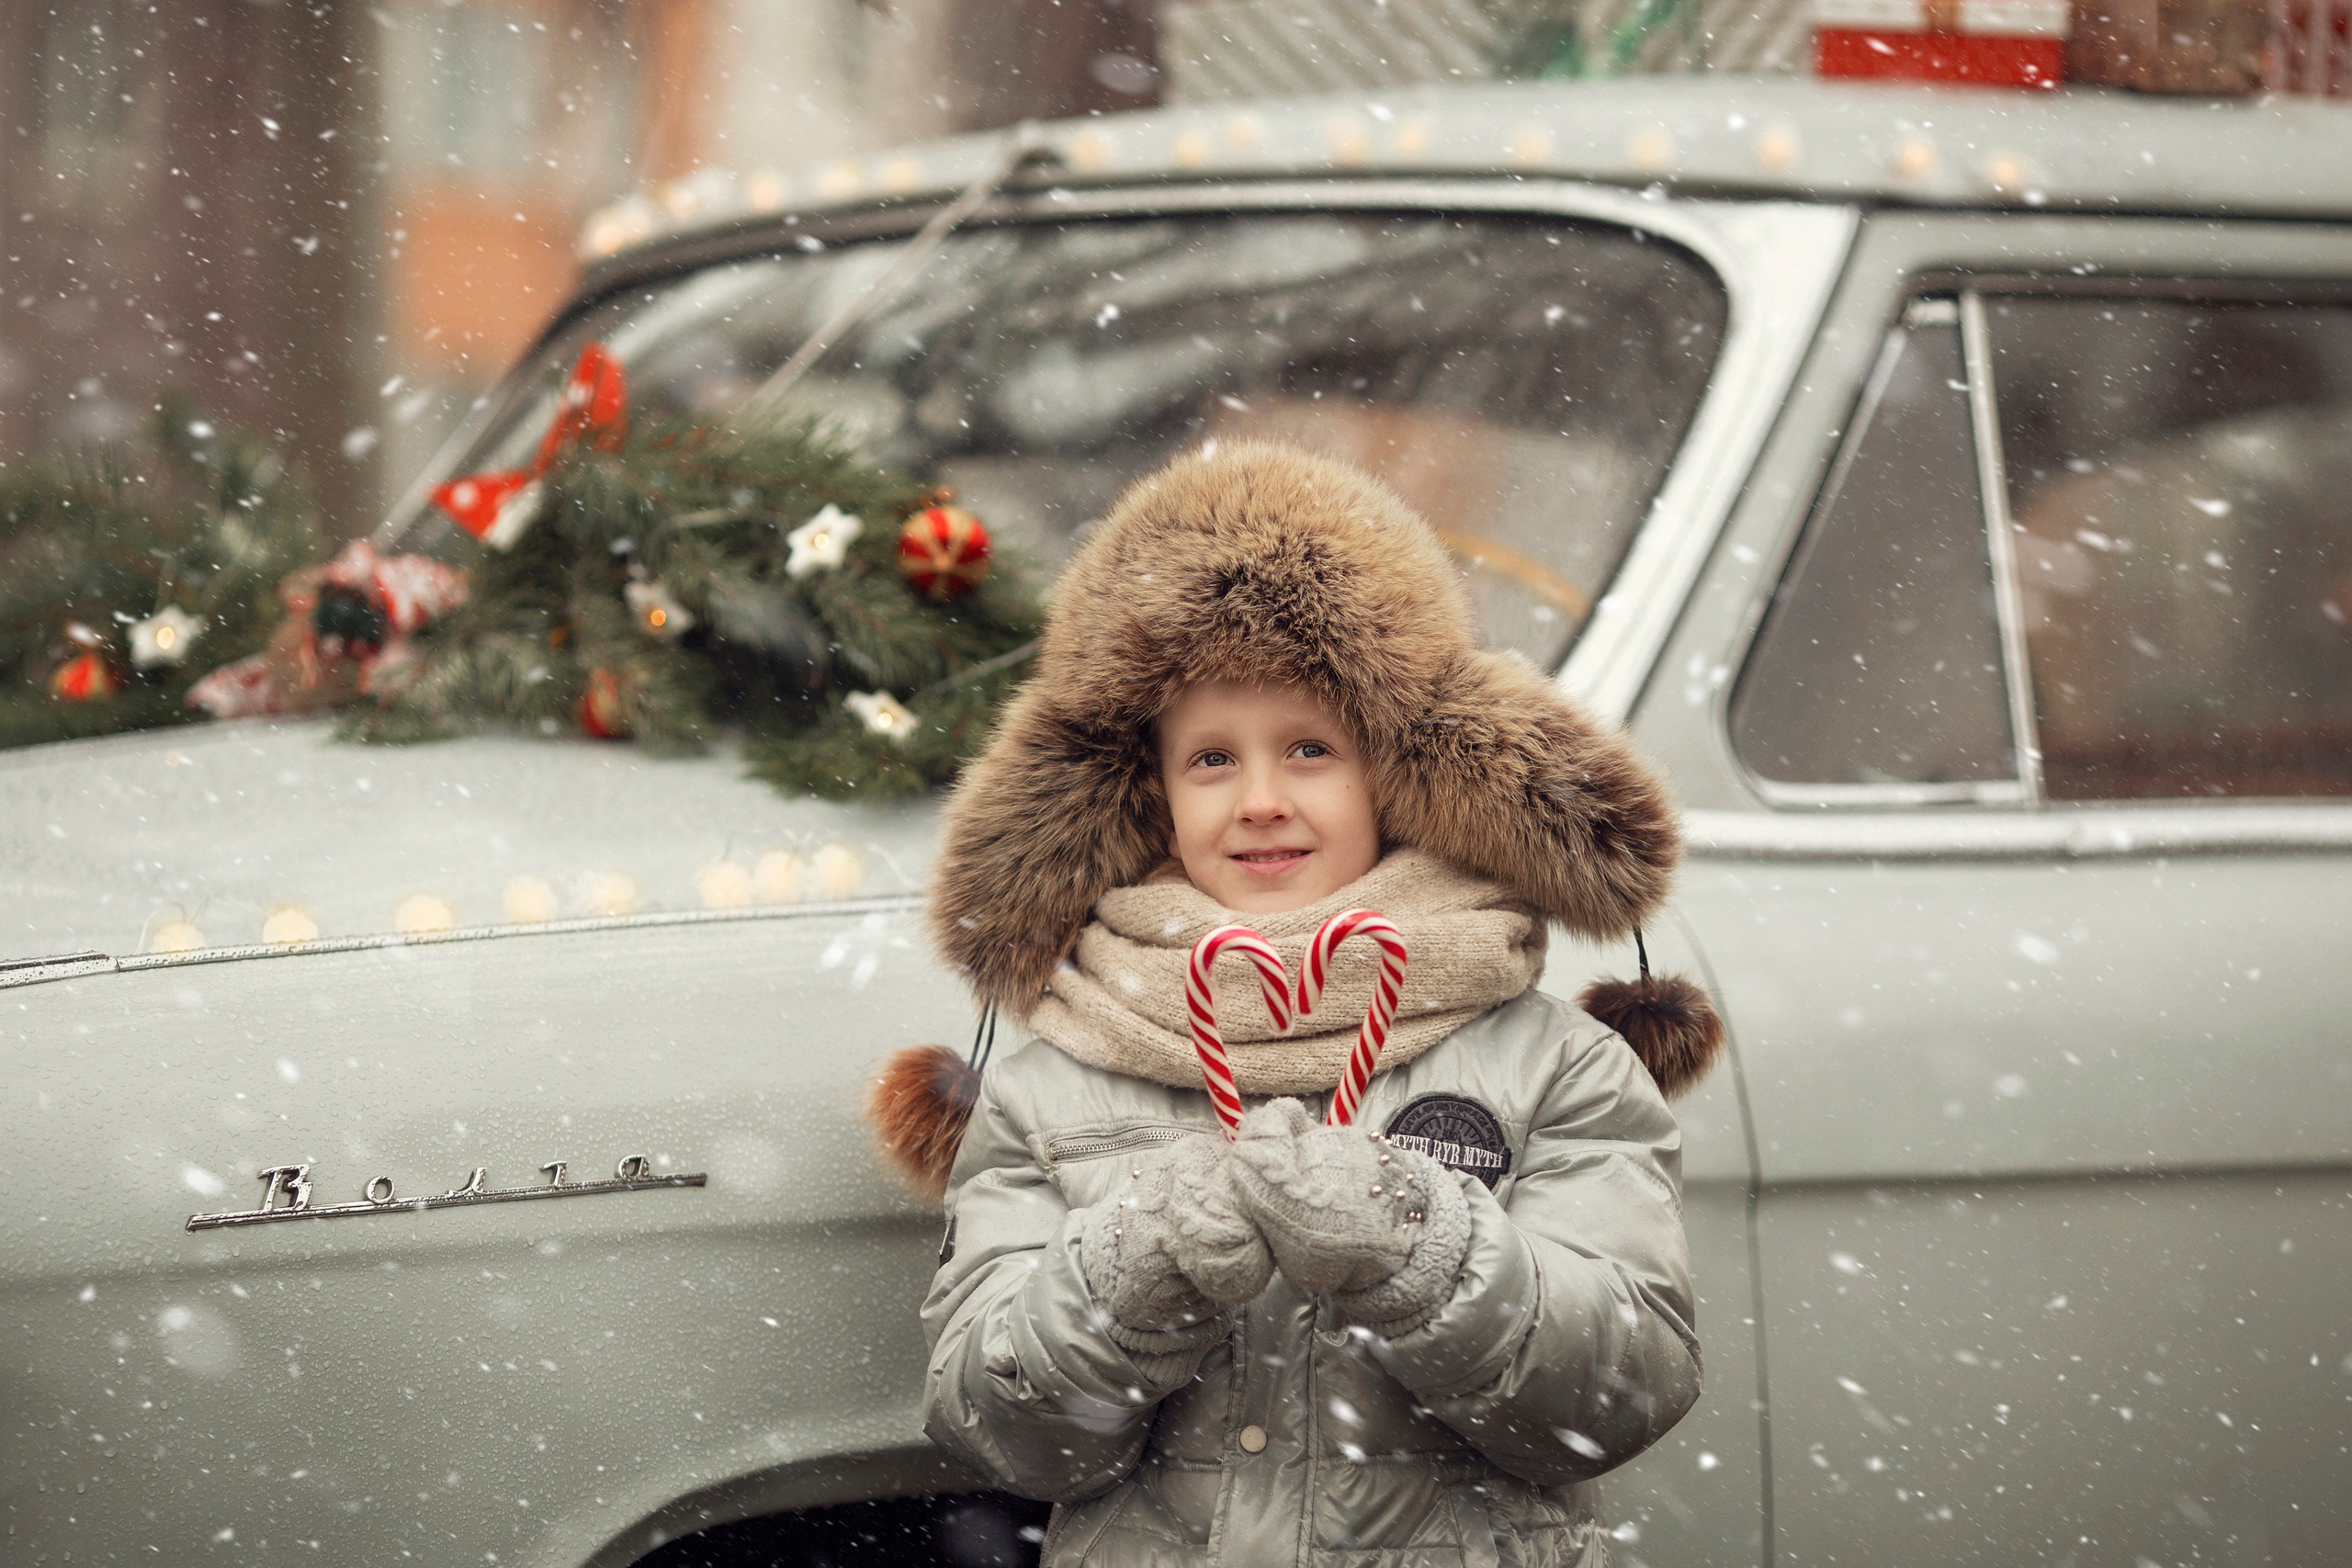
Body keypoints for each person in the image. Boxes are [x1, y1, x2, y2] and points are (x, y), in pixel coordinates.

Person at [870, 442, 1724, 1565]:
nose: (1262, 800)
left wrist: (1424, 1248)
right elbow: (1008, 1435)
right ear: (1148, 794)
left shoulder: (1548, 1065)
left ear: (1398, 768)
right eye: (1212, 760)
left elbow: (1620, 1393)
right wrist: (1134, 1273)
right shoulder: (1055, 1082)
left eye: (1310, 749)